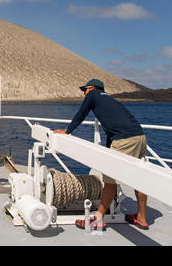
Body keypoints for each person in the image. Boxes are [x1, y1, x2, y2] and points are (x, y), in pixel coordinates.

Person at [53, 79, 149, 231]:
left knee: (110, 181)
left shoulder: (93, 95)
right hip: (140, 137)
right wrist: (108, 152)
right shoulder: (108, 100)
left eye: (84, 90)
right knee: (138, 180)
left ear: (91, 88)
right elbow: (112, 130)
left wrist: (67, 131)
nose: (84, 94)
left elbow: (80, 114)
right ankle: (141, 218)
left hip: (124, 140)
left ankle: (98, 218)